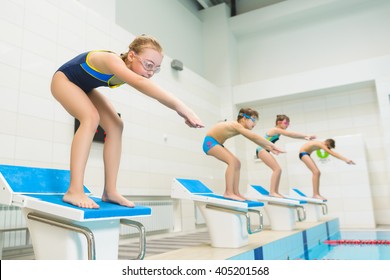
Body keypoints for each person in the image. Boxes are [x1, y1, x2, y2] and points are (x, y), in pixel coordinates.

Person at [51, 35, 204, 209]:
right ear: (131, 56)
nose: (150, 73)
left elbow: (141, 81)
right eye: (148, 65)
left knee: (116, 125)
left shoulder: (128, 69)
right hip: (64, 80)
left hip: (83, 87)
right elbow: (140, 83)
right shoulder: (112, 60)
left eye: (156, 69)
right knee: (90, 118)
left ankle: (110, 191)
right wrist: (183, 108)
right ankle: (74, 190)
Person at [203, 108, 284, 201]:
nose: (255, 123)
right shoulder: (236, 125)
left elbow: (254, 139)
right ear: (243, 118)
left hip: (217, 143)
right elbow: (253, 136)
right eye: (253, 120)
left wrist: (270, 148)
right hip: (210, 143)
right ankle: (228, 192)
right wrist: (272, 145)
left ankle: (236, 192)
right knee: (232, 161)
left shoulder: (239, 127)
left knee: (237, 163)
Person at [256, 114, 316, 198]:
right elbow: (290, 134)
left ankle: (275, 191)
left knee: (278, 170)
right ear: (279, 122)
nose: (287, 125)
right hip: (261, 150)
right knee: (277, 169)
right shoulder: (275, 129)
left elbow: (289, 135)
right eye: (286, 123)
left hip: (264, 150)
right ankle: (272, 192)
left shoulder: (278, 131)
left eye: (288, 123)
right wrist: (305, 136)